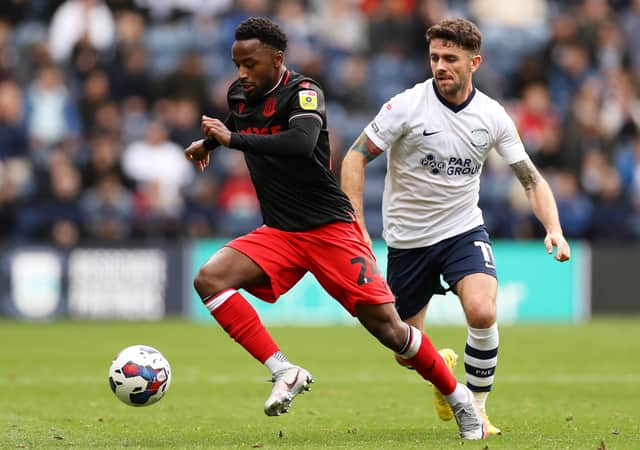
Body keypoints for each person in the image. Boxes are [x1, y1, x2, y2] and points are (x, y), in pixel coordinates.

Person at [184, 17, 487, 440]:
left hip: (330, 229)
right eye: (236, 64)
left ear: (277, 59)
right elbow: (242, 124)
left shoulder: (305, 94)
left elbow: (299, 143)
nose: (241, 74)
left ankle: (458, 398)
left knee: (392, 330)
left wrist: (230, 142)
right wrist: (211, 143)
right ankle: (284, 370)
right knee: (209, 279)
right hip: (281, 232)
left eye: (250, 64)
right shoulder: (240, 95)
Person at [340, 18, 571, 436]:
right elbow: (354, 157)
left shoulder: (492, 116)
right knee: (405, 351)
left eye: (450, 58)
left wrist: (553, 227)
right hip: (408, 241)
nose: (440, 65)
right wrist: (355, 225)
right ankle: (440, 364)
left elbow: (531, 179)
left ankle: (477, 409)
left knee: (482, 310)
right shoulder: (405, 107)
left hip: (462, 231)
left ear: (474, 62)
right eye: (434, 57)